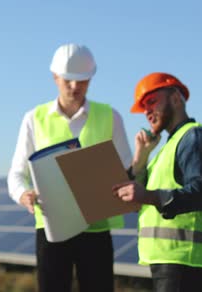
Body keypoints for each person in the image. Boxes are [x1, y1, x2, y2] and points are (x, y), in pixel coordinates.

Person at [7, 43, 133, 292]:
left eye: (83, 81)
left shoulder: (110, 116)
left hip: (96, 229)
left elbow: (126, 168)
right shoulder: (34, 119)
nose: (75, 87)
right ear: (55, 77)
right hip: (52, 229)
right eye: (68, 81)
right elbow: (16, 174)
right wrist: (24, 194)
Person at [112, 72, 202, 292]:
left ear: (175, 98)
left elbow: (201, 192)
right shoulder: (167, 148)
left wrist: (148, 196)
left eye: (152, 101)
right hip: (170, 258)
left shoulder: (195, 138)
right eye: (143, 107)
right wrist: (141, 157)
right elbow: (138, 202)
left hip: (184, 258)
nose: (147, 111)